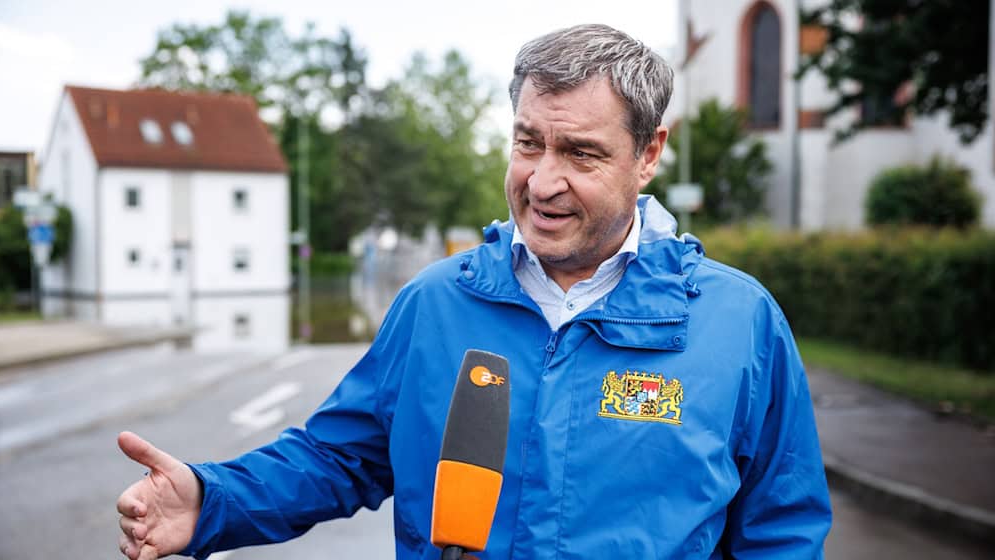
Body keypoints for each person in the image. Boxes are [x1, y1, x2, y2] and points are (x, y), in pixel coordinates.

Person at [117, 23, 832, 559]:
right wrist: (213, 500)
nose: (543, 182)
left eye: (580, 153)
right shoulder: (436, 304)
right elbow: (342, 456)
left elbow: (781, 527)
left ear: (648, 155)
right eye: (528, 144)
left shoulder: (739, 324)